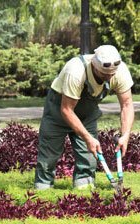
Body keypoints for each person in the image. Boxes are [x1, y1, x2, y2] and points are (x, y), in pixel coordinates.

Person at [34, 45, 134, 190]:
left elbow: (127, 104)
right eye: (104, 74)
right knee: (49, 156)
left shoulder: (119, 71)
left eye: (111, 74)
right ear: (94, 65)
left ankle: (84, 189)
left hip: (87, 114)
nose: (109, 77)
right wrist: (87, 137)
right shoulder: (75, 71)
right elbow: (66, 110)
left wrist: (125, 135)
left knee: (88, 157)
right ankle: (42, 190)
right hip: (58, 111)